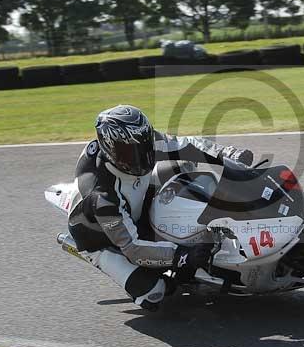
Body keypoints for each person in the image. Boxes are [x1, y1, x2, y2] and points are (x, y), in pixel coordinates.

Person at [68, 105, 254, 311]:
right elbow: (133, 249)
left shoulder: (139, 141)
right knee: (155, 292)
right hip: (100, 237)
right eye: (129, 153)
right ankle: (110, 262)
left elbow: (186, 145)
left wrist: (227, 154)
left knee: (183, 166)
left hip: (136, 195)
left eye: (143, 147)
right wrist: (182, 256)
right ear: (110, 150)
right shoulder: (103, 196)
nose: (139, 156)